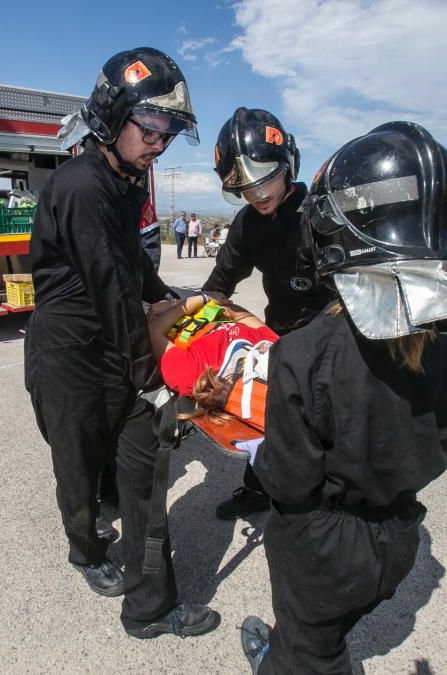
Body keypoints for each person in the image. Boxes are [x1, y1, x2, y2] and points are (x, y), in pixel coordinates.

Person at [239, 121, 447, 674]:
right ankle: (291, 650)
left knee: (312, 652)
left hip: (320, 550)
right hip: (397, 537)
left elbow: (287, 481)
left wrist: (251, 445)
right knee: (330, 629)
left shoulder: (304, 355)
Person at [26, 46, 219, 639]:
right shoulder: (84, 186)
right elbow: (111, 290)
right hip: (69, 352)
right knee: (78, 464)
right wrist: (153, 376)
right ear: (112, 116)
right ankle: (85, 549)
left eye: (168, 132)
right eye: (151, 127)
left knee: (131, 464)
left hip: (111, 340)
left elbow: (131, 264)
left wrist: (171, 300)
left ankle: (144, 588)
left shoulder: (122, 180)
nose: (159, 143)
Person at [201, 107, 335, 520]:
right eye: (244, 186)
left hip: (335, 332)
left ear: (287, 164)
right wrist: (191, 332)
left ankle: (328, 501)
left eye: (266, 178)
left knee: (329, 423)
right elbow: (218, 286)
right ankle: (258, 489)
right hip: (281, 332)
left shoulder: (323, 215)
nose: (258, 193)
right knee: (266, 411)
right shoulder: (247, 223)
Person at [146, 293, 277, 405]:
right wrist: (181, 303)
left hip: (155, 318)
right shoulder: (272, 345)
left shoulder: (196, 376)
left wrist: (196, 300)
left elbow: (153, 331)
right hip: (188, 308)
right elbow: (240, 315)